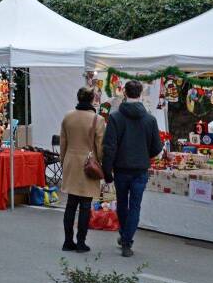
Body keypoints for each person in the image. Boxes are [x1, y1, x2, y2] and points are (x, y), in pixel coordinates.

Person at [102, 80, 163, 258]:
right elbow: (157, 147)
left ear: (124, 93)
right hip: (140, 169)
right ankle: (127, 240)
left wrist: (107, 169)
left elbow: (109, 146)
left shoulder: (115, 118)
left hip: (121, 168)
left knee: (122, 204)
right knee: (135, 205)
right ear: (141, 94)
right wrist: (145, 154)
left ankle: (125, 237)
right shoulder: (150, 120)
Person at [60, 86, 105, 253]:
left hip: (71, 162)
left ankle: (67, 241)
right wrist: (102, 163)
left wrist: (63, 160)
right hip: (88, 163)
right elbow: (100, 147)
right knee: (85, 205)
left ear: (78, 98)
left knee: (71, 204)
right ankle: (81, 242)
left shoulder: (68, 117)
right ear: (92, 99)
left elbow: (63, 143)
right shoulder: (97, 119)